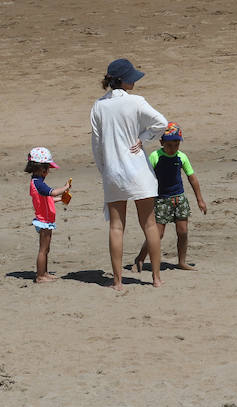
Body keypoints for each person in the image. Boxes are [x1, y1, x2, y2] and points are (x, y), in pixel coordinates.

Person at [90, 58, 168, 290]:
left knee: (116, 227)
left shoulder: (99, 106)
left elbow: (96, 145)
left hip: (114, 172)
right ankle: (156, 278)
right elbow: (161, 123)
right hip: (138, 172)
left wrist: (105, 171)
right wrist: (142, 139)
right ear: (123, 80)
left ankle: (117, 281)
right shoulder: (136, 102)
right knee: (149, 224)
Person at [131, 122, 208, 273]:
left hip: (179, 199)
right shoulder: (155, 156)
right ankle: (140, 258)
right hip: (161, 200)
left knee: (183, 231)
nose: (173, 148)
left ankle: (182, 261)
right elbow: (145, 176)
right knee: (157, 234)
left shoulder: (181, 157)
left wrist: (200, 199)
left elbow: (192, 178)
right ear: (161, 142)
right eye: (169, 145)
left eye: (176, 144)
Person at [25, 147, 71, 284]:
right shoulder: (38, 183)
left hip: (45, 219)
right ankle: (40, 276)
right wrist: (65, 187)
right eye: (47, 169)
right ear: (40, 168)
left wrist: (62, 199)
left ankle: (44, 272)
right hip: (43, 220)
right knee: (43, 250)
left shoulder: (37, 182)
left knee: (46, 249)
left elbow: (48, 198)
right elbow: (52, 193)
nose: (48, 172)